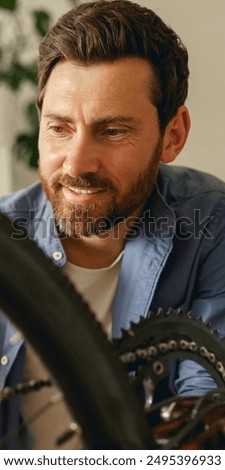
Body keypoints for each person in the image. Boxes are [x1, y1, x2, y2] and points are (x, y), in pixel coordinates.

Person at [0, 0, 225, 449]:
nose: (77, 164)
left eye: (113, 131)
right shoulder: (6, 239)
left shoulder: (213, 226)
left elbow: (207, 420)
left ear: (173, 135)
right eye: (59, 128)